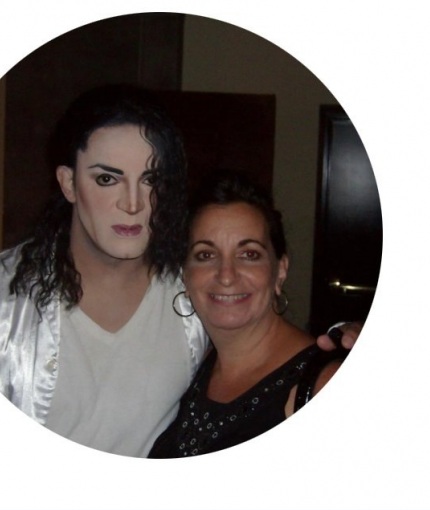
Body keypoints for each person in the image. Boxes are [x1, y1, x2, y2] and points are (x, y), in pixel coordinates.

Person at [0, 84, 358, 458]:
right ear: (69, 183)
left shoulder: (189, 294)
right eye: (107, 179)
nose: (133, 203)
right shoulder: (9, 305)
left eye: (151, 180)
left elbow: (264, 340)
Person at [148, 173, 349, 458]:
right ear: (185, 274)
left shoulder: (322, 383)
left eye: (249, 254)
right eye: (206, 255)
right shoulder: (192, 365)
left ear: (280, 270)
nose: (226, 276)